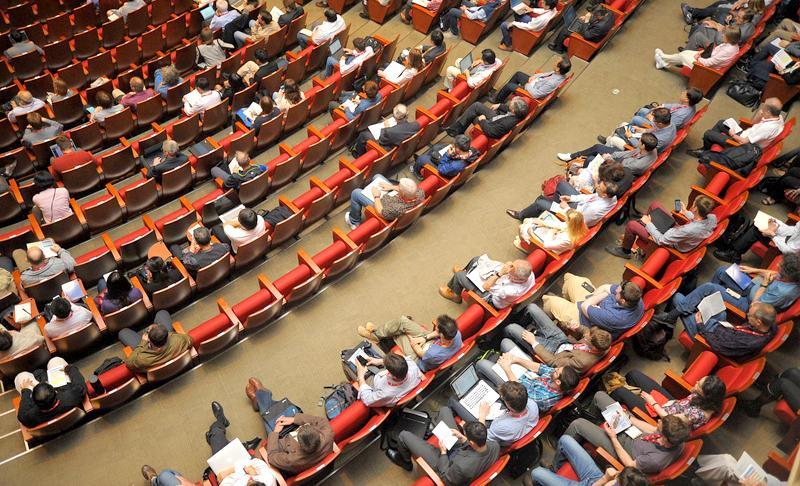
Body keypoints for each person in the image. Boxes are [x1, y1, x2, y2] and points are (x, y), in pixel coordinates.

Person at [560, 393, 690, 475]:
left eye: (660, 426)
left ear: (665, 438)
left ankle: (558, 463)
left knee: (578, 424)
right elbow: (651, 429)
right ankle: (594, 423)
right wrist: (628, 418)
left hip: (622, 447)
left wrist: (613, 438)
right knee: (600, 396)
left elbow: (629, 464)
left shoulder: (655, 461)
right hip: (633, 431)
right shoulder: (677, 436)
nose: (659, 421)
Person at [244, 378, 335, 474]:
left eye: (301, 428)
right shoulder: (328, 435)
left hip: (283, 439)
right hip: (298, 435)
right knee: (286, 410)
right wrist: (294, 419)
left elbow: (272, 457)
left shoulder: (292, 460)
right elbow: (320, 421)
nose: (301, 426)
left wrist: (275, 432)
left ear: (299, 444)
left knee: (271, 416)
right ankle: (260, 398)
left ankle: (259, 398)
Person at [504, 303, 613, 373]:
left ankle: (502, 336)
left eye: (588, 338)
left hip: (551, 352)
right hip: (563, 340)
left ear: (593, 348)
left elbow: (553, 363)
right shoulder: (605, 341)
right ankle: (522, 324)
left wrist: (534, 343)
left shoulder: (582, 362)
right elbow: (586, 332)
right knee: (532, 307)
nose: (587, 335)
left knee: (511, 328)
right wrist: (578, 328)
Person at [387, 417, 500, 483]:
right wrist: (463, 439)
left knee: (403, 435)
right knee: (444, 410)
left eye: (465, 434)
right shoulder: (495, 445)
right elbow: (475, 446)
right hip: (462, 451)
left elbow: (445, 477)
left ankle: (406, 462)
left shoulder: (461, 467)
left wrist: (443, 452)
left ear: (472, 442)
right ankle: (432, 429)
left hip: (446, 463)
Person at [605, 195, 717, 259]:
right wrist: (686, 213)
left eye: (693, 204)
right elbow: (698, 221)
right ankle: (641, 227)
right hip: (677, 233)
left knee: (631, 225)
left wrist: (649, 224)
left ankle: (625, 251)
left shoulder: (688, 229)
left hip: (670, 241)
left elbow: (661, 240)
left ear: (695, 209)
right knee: (655, 205)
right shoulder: (712, 217)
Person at [660, 299, 778, 360]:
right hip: (722, 328)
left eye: (750, 316)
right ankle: (668, 322)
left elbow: (718, 345)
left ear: (758, 322)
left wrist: (700, 324)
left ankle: (665, 326)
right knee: (712, 303)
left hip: (707, 337)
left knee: (679, 299)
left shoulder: (748, 342)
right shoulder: (770, 326)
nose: (747, 315)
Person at [610, 371, 726, 431]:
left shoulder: (697, 415)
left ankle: (608, 404)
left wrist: (653, 402)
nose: (696, 382)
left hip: (659, 416)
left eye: (698, 385)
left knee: (619, 391)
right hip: (671, 403)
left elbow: (668, 419)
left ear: (705, 394)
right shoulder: (707, 398)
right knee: (633, 374)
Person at [197, 402, 279, 486]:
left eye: (249, 482)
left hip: (225, 470)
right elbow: (258, 463)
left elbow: (224, 482)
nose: (250, 478)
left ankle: (220, 421)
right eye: (254, 479)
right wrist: (242, 470)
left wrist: (235, 470)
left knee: (216, 433)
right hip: (244, 460)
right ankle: (216, 434)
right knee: (217, 438)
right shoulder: (268, 480)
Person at [542, 274, 644, 340]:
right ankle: (566, 302)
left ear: (622, 300)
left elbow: (584, 306)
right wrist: (596, 299)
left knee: (550, 301)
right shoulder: (635, 296)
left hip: (584, 321)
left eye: (617, 292)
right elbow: (605, 287)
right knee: (571, 279)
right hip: (593, 303)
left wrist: (604, 295)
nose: (616, 289)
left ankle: (548, 320)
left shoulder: (615, 317)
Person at [479, 351, 580, 412]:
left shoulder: (544, 399)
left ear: (558, 382)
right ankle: (495, 358)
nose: (555, 369)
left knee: (482, 364)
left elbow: (518, 392)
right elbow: (539, 368)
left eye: (557, 371)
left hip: (514, 386)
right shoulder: (556, 376)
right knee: (506, 343)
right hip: (524, 375)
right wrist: (515, 359)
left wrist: (507, 368)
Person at [358, 314, 462, 372]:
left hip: (418, 358)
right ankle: (377, 334)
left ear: (443, 335)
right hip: (431, 342)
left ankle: (376, 336)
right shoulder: (455, 333)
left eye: (438, 330)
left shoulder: (434, 354)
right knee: (403, 321)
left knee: (399, 333)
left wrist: (408, 335)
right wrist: (425, 338)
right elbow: (435, 333)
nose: (436, 330)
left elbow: (415, 346)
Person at [447, 381, 538, 447]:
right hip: (510, 426)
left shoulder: (501, 426)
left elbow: (482, 438)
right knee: (488, 385)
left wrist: (482, 415)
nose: (501, 397)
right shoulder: (533, 405)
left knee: (453, 400)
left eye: (503, 398)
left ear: (509, 406)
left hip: (489, 428)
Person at [505, 178, 618, 228]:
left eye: (599, 187)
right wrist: (571, 198)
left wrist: (566, 208)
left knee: (540, 201)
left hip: (573, 218)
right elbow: (589, 197)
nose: (596, 186)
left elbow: (577, 221)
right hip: (579, 207)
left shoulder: (594, 210)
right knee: (562, 184)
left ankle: (522, 215)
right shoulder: (611, 196)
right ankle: (551, 205)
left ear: (604, 195)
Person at [688, 97, 784, 154]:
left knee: (708, 133)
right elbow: (754, 123)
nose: (761, 108)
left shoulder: (767, 128)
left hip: (742, 145)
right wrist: (759, 115)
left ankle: (705, 151)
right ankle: (707, 149)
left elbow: (744, 142)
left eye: (764, 107)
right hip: (745, 134)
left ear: (768, 111)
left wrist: (733, 134)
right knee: (722, 123)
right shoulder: (778, 116)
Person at [530, 442, 650, 486]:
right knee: (565, 440)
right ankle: (555, 470)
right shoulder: (637, 482)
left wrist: (605, 478)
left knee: (537, 473)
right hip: (596, 478)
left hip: (599, 481)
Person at [15, 357, 86, 428]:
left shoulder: (28, 417)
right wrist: (70, 369)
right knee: (55, 361)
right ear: (56, 391)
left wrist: (26, 391)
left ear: (33, 400)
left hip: (46, 428)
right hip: (66, 399)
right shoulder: (72, 395)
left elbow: (21, 415)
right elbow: (80, 385)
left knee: (21, 376)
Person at [439, 256, 535, 308]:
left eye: (511, 270)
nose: (509, 268)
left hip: (491, 298)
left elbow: (486, 286)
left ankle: (456, 295)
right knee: (477, 260)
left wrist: (500, 273)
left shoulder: (510, 291)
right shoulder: (529, 273)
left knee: (459, 276)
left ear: (516, 278)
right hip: (499, 286)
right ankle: (466, 275)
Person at [119, 310, 193, 372]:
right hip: (175, 356)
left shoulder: (142, 359)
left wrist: (142, 343)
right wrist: (162, 332)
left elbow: (129, 364)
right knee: (162, 313)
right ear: (167, 336)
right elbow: (190, 339)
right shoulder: (179, 340)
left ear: (149, 340)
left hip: (147, 354)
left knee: (123, 332)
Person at [714, 214, 800, 264]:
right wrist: (776, 226)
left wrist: (773, 235)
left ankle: (734, 254)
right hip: (785, 239)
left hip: (788, 252)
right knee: (759, 223)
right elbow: (794, 230)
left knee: (755, 230)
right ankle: (734, 248)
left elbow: (790, 251)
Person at [345, 175, 425, 228]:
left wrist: (376, 196)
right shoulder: (420, 193)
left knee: (356, 193)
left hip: (381, 204)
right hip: (391, 197)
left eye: (399, 186)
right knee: (377, 176)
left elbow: (380, 212)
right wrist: (391, 187)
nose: (398, 186)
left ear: (403, 193)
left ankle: (354, 221)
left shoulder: (396, 209)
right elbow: (407, 190)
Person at [654, 26, 740, 72]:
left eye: (724, 35)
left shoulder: (727, 50)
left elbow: (709, 63)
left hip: (706, 69)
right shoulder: (732, 45)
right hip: (707, 57)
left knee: (683, 56)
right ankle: (663, 63)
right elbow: (715, 51)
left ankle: (663, 58)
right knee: (686, 52)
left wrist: (698, 58)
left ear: (730, 38)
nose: (722, 36)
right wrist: (703, 52)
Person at [350, 104, 421, 157]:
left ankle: (359, 154)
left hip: (386, 149)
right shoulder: (415, 125)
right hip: (401, 148)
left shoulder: (389, 131)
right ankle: (354, 144)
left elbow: (381, 140)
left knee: (364, 135)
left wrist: (387, 127)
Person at [356, 352, 423, 407]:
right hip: (388, 380)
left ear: (392, 375)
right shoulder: (413, 367)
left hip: (376, 384)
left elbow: (367, 399)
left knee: (355, 367)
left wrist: (361, 377)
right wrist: (380, 361)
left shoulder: (386, 393)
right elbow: (404, 360)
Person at [493, 56, 571, 103]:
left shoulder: (552, 82)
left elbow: (536, 94)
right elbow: (544, 75)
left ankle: (498, 100)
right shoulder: (559, 73)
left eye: (556, 62)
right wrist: (534, 76)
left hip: (531, 91)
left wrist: (527, 85)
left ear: (558, 69)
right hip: (535, 83)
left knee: (509, 86)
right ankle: (504, 94)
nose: (554, 62)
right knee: (518, 74)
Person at [445, 97, 529, 140]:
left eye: (511, 104)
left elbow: (491, 132)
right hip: (498, 119)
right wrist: (499, 105)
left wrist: (483, 120)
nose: (509, 104)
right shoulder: (520, 112)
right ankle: (457, 129)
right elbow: (510, 109)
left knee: (473, 116)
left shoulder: (507, 123)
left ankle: (456, 130)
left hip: (492, 125)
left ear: (513, 110)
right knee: (476, 105)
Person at [514, 208, 589, 255]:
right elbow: (560, 225)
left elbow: (546, 245)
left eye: (566, 219)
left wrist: (551, 232)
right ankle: (525, 238)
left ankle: (524, 245)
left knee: (522, 227)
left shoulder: (567, 240)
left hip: (549, 247)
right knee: (527, 220)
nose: (565, 219)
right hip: (554, 236)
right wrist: (543, 223)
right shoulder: (577, 227)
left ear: (570, 223)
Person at [602, 107, 676, 152]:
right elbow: (653, 128)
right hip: (645, 138)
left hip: (638, 150)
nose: (652, 121)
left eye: (654, 121)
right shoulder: (669, 123)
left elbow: (641, 148)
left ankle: (607, 143)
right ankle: (612, 138)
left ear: (660, 123)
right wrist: (641, 130)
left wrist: (630, 137)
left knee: (613, 139)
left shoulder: (659, 139)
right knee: (624, 124)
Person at [629, 88, 703, 131]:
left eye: (684, 93)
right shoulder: (690, 105)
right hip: (664, 119)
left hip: (659, 127)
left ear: (687, 99)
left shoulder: (680, 115)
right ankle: (639, 124)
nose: (682, 93)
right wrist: (662, 106)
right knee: (643, 110)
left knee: (636, 118)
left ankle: (629, 129)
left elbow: (667, 127)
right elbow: (674, 106)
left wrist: (652, 119)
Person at [549, 6, 615, 53]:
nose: (593, 16)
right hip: (593, 31)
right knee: (574, 24)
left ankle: (558, 48)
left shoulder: (601, 26)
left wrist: (586, 21)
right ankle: (556, 42)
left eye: (594, 16)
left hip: (591, 37)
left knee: (566, 30)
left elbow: (586, 35)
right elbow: (597, 19)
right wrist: (587, 17)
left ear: (600, 16)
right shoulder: (609, 13)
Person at [411, 134, 479, 180]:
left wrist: (447, 155)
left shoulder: (456, 165)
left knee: (421, 159)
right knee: (436, 147)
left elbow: (441, 169)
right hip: (451, 162)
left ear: (458, 149)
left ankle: (416, 172)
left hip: (444, 170)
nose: (453, 145)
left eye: (454, 145)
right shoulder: (471, 151)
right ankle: (424, 164)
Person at [694, 453, 786, 485]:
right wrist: (764, 484)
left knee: (727, 466)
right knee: (727, 459)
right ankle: (698, 465)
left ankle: (697, 471)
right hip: (768, 482)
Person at [685, 8, 755, 49]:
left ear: (746, 20)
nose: (736, 18)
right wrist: (730, 19)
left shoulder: (741, 33)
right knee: (707, 24)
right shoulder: (747, 23)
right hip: (724, 36)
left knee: (703, 29)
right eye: (737, 15)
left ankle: (689, 48)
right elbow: (730, 29)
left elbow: (719, 42)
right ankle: (690, 45)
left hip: (719, 46)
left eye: (738, 17)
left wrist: (718, 28)